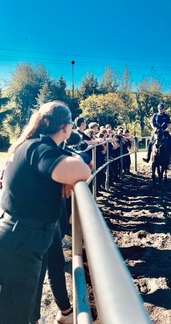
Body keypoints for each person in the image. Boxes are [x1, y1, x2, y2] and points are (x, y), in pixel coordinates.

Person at [0, 101, 91, 324]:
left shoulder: (31, 144)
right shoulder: (40, 149)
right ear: (67, 128)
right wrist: (71, 168)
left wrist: (65, 171)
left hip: (21, 236)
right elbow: (83, 170)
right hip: (22, 240)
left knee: (25, 307)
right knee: (14, 316)